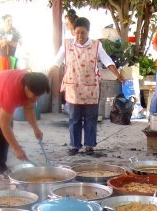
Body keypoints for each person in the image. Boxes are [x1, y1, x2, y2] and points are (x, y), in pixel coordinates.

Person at [50, 17, 125, 155]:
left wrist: (118, 75)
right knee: (74, 118)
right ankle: (74, 145)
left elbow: (107, 60)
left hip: (91, 87)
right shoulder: (66, 45)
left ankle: (89, 145)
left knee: (91, 118)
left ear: (88, 32)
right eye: (77, 32)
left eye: (83, 33)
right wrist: (45, 79)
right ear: (73, 31)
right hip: (73, 88)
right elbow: (56, 63)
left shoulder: (96, 45)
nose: (80, 36)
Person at [0, 71, 50, 179]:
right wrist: (17, 149)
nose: (36, 98)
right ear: (26, 87)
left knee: (6, 130)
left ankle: (2, 163)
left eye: (39, 95)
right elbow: (4, 124)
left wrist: (36, 129)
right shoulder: (12, 91)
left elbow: (29, 108)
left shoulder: (34, 85)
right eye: (34, 95)